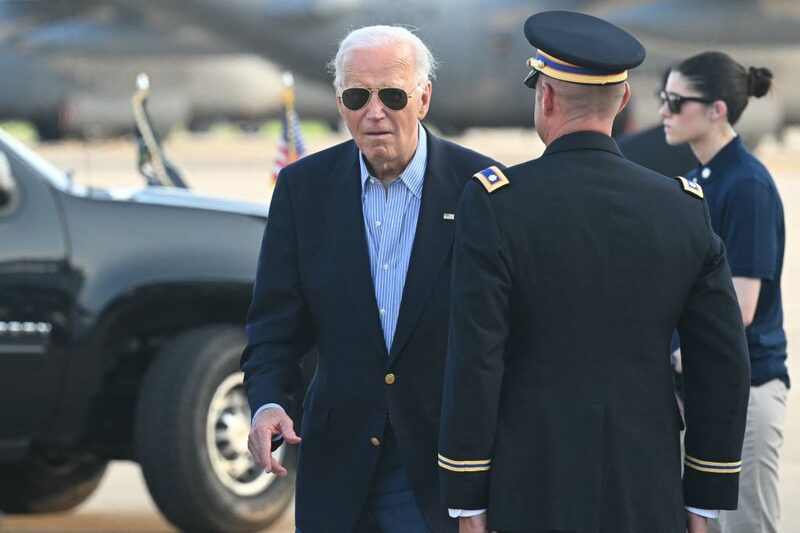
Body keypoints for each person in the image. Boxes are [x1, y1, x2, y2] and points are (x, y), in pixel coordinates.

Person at [437, 11, 751, 533]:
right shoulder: (682, 207)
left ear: (547, 98)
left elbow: (475, 358)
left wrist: (467, 495)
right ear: (624, 100)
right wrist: (704, 497)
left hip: (531, 483)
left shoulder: (497, 204)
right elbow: (722, 366)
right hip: (645, 486)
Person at [241, 25, 501, 533]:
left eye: (393, 95)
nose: (374, 112)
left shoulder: (482, 189)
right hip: (337, 471)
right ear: (341, 102)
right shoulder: (303, 189)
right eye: (358, 96)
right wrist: (269, 402)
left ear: (423, 98)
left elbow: (510, 335)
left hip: (442, 472)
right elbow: (274, 327)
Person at [661, 51, 788, 533]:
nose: (664, 112)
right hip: (698, 388)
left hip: (746, 391)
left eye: (676, 101)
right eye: (663, 98)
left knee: (748, 527)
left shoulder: (747, 185)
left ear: (716, 110)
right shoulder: (696, 183)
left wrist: (674, 354)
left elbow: (742, 307)